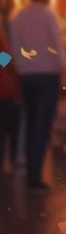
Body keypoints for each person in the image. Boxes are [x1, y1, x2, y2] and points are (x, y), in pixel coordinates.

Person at [9, 0, 66, 192]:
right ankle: (35, 176)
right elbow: (56, 44)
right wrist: (64, 69)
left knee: (31, 120)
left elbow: (13, 48)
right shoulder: (48, 15)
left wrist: (17, 67)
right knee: (42, 126)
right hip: (47, 75)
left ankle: (29, 172)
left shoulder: (18, 17)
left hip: (25, 76)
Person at [0, 17, 22, 174]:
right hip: (4, 89)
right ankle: (11, 161)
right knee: (9, 128)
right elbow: (3, 58)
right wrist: (14, 71)